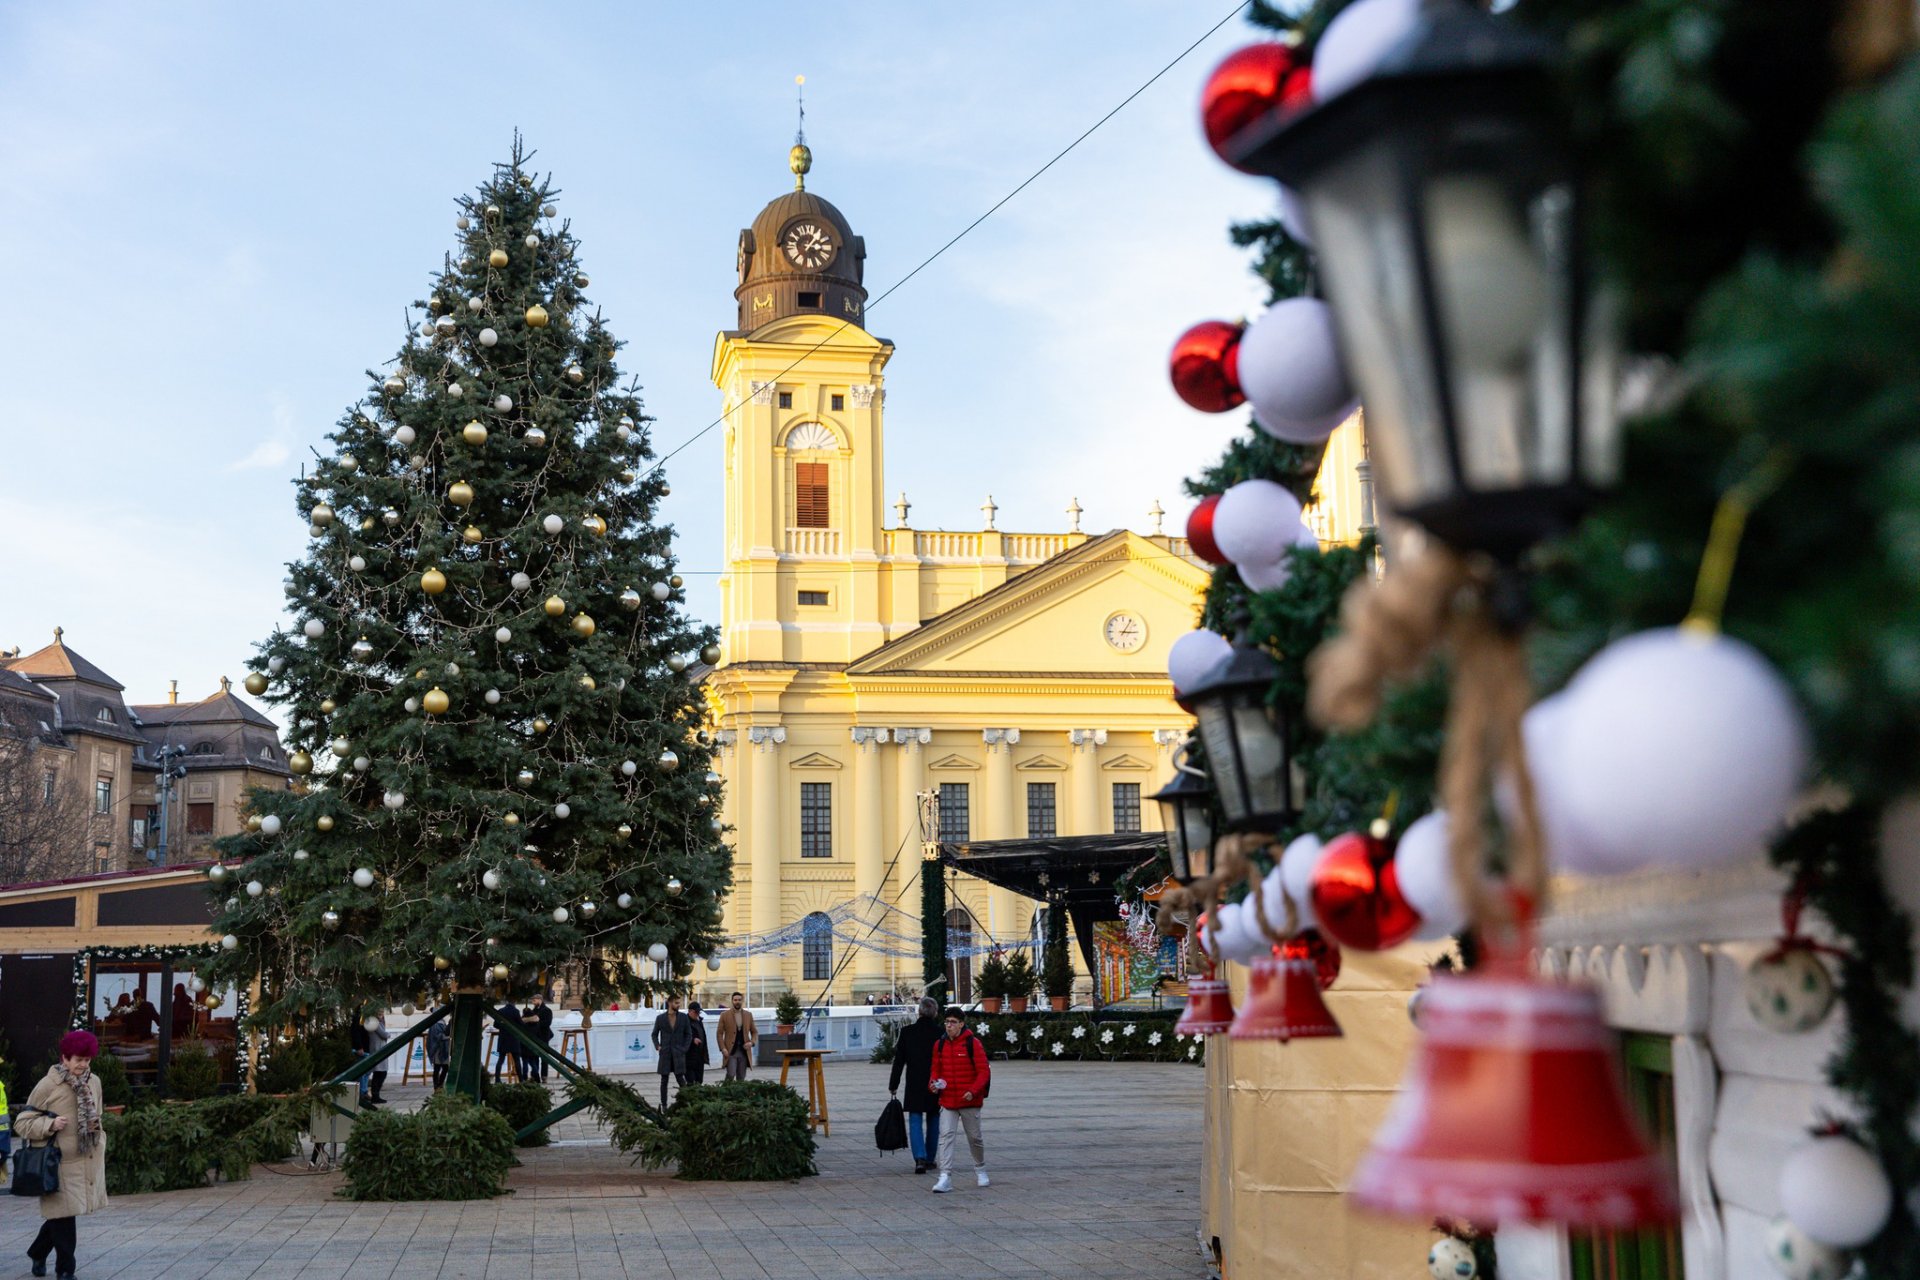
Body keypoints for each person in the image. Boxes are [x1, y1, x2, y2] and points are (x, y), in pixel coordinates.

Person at [17, 1029, 109, 1278]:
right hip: (57, 1162)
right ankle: (66, 1271)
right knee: (64, 1218)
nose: (83, 1065)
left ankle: (37, 1252)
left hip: (86, 1157)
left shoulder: (94, 1082)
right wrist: (50, 1125)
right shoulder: (48, 1085)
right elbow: (23, 1122)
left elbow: (97, 1115)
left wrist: (98, 1138)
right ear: (65, 1058)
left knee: (64, 1215)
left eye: (87, 1060)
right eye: (78, 1059)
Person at [927, 1006, 990, 1194]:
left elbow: (983, 1071)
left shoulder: (973, 1043)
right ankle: (945, 1176)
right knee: (945, 1136)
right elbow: (935, 1069)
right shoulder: (939, 1045)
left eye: (953, 1022)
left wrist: (973, 1090)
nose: (949, 1026)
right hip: (948, 1100)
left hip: (969, 1100)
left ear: (961, 1024)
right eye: (946, 1022)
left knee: (974, 1137)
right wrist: (933, 1083)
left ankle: (980, 1168)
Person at [889, 997, 944, 1174]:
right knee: (934, 1118)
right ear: (935, 1012)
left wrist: (894, 1084)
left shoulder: (907, 1032)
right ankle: (930, 1158)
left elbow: (899, 1061)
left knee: (915, 1119)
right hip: (935, 1082)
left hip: (914, 1082)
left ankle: (919, 1158)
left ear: (919, 1011)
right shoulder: (941, 1033)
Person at [651, 994, 693, 1109]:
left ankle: (687, 1103)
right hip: (665, 1053)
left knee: (681, 1079)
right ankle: (663, 1105)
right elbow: (654, 1034)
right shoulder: (660, 1018)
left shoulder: (683, 1017)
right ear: (669, 1003)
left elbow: (689, 1034)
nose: (678, 1005)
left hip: (679, 1053)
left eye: (679, 1003)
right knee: (664, 1080)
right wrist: (658, 1046)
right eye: (676, 1003)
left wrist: (684, 1049)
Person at [716, 991, 756, 1080]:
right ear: (732, 1001)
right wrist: (723, 1048)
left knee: (741, 1077)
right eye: (735, 1000)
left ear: (742, 1001)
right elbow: (719, 1033)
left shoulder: (748, 1015)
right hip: (730, 1051)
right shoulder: (724, 1015)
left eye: (739, 1000)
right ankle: (724, 1092)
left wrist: (751, 1043)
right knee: (731, 1074)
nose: (737, 1002)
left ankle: (739, 1094)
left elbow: (754, 1032)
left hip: (744, 1051)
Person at [523, 994, 554, 1081]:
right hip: (535, 1036)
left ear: (540, 1000)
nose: (533, 1002)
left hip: (543, 1036)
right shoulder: (534, 1010)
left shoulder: (547, 1010)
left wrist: (536, 1022)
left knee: (544, 1058)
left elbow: (547, 1023)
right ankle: (535, 1075)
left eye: (534, 1000)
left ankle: (544, 1076)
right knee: (534, 1056)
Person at [493, 999, 524, 1081]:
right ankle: (521, 1079)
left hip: (503, 1038)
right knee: (517, 1060)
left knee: (501, 1059)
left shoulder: (501, 1011)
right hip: (514, 1038)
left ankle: (497, 1078)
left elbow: (495, 1024)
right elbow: (521, 1024)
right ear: (515, 1003)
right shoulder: (516, 1011)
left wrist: (503, 1028)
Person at [365, 1014, 390, 1105]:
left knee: (381, 1073)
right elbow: (384, 1034)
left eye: (382, 1013)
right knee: (379, 1073)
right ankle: (375, 1096)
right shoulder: (374, 1022)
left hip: (380, 1049)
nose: (381, 1015)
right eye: (379, 1013)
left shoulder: (379, 1023)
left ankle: (376, 1095)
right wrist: (388, 1034)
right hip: (377, 1050)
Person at [685, 1001, 709, 1085]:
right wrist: (692, 1040)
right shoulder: (684, 1022)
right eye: (696, 1012)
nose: (697, 1014)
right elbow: (680, 1036)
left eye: (699, 1012)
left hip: (700, 1056)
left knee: (699, 1080)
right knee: (691, 1081)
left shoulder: (699, 1021)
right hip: (689, 1057)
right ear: (690, 1011)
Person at [426, 1019, 451, 1091]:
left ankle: (440, 1085)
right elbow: (436, 1037)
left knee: (445, 1068)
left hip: (444, 1049)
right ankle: (437, 1086)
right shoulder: (435, 1024)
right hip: (437, 1049)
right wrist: (446, 1037)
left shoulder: (443, 1022)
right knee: (437, 1068)